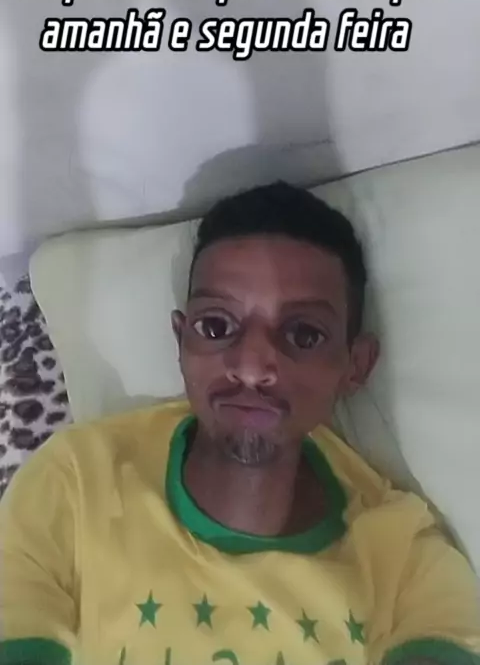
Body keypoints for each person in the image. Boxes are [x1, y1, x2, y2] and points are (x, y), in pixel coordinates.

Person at [1, 182, 479, 665]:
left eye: (304, 335)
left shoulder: (406, 565)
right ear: (181, 342)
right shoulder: (74, 483)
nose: (251, 367)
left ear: (355, 366)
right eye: (216, 327)